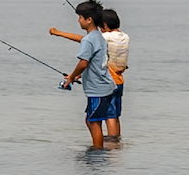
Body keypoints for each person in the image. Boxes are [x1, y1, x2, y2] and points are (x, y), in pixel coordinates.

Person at [51, 8, 130, 138]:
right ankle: (116, 142)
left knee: (107, 117)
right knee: (115, 116)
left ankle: (110, 144)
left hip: (106, 82)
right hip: (119, 81)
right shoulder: (125, 37)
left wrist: (59, 33)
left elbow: (84, 40)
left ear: (104, 25)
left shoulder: (104, 37)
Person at [57, 0, 116, 149]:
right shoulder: (99, 37)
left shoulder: (88, 40)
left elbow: (83, 62)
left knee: (94, 121)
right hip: (105, 86)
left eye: (80, 18)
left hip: (98, 89)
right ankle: (98, 147)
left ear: (89, 20)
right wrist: (79, 76)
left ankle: (97, 152)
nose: (78, 21)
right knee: (90, 120)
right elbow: (96, 63)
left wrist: (71, 77)